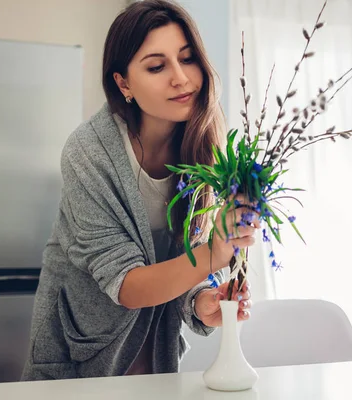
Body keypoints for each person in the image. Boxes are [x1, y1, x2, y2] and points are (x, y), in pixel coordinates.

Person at [21, 0, 259, 380]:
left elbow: (180, 261)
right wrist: (215, 252)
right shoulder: (89, 151)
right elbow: (128, 284)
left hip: (157, 358)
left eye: (187, 58)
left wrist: (200, 301)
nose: (181, 78)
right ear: (123, 83)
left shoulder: (203, 148)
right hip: (82, 360)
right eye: (157, 66)